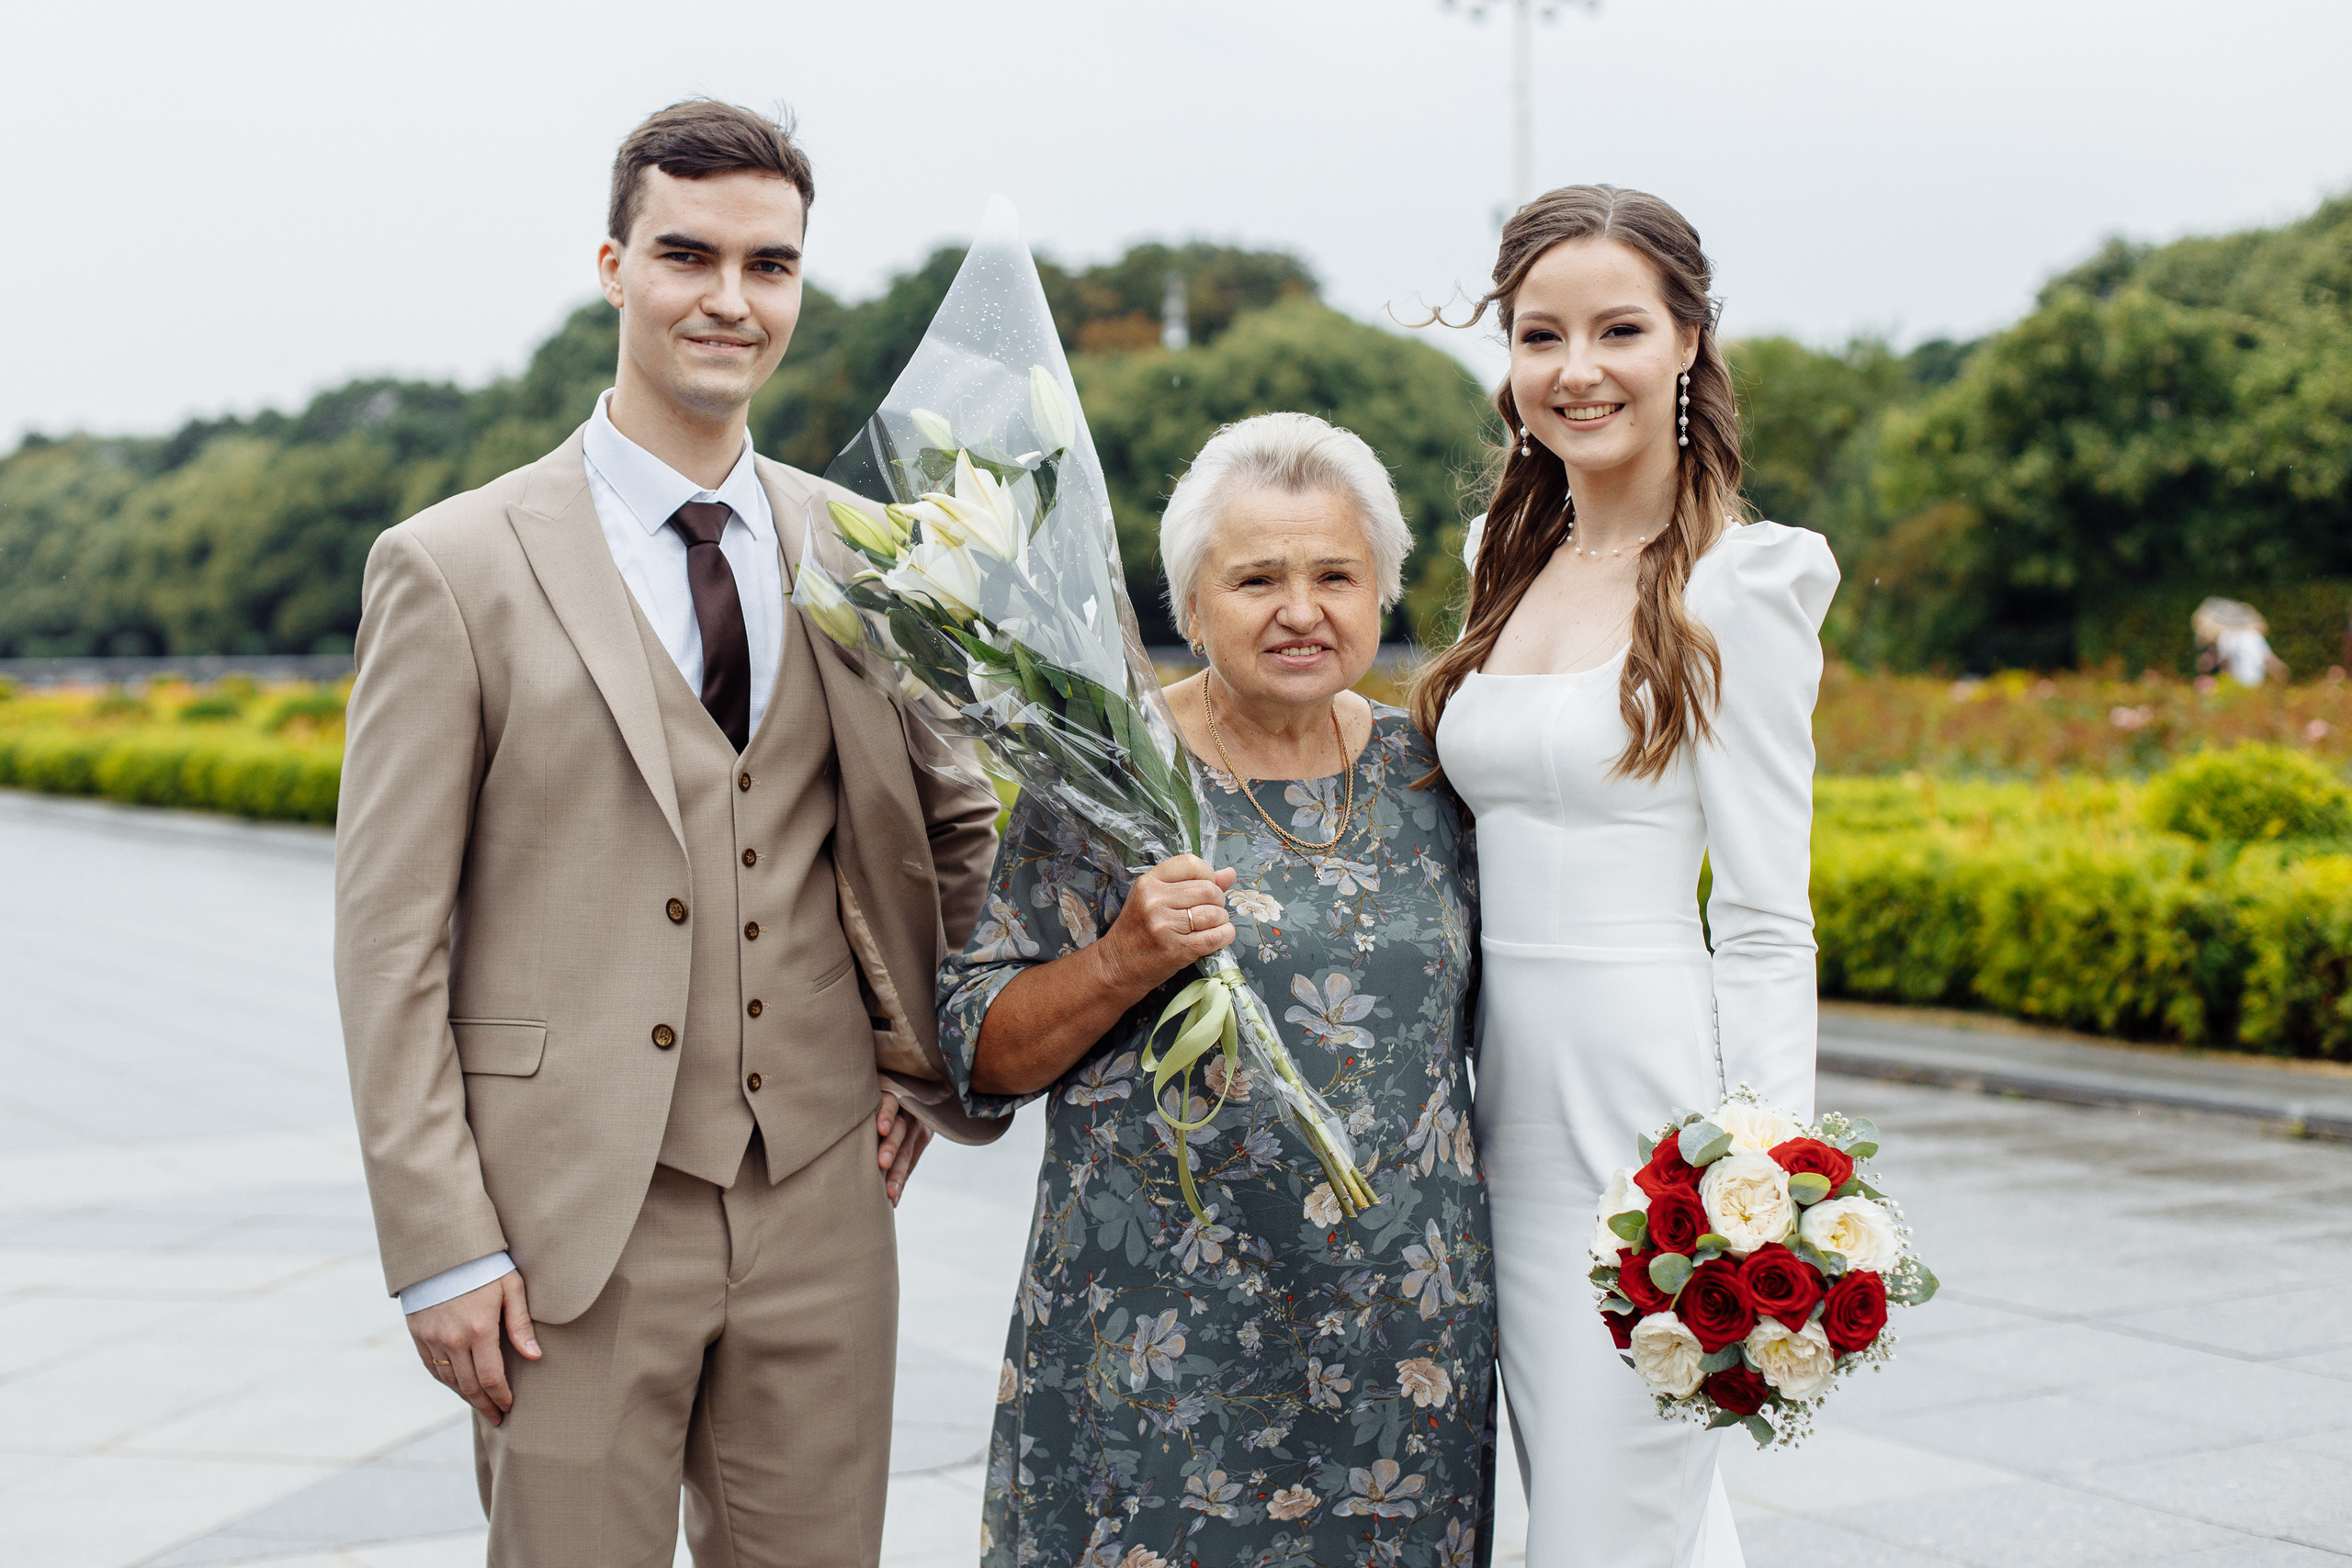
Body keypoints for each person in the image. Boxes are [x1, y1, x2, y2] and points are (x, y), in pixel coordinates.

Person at [332, 100, 1002, 1566]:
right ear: (614, 264)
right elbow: (390, 938)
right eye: (687, 254)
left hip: (822, 1193)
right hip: (566, 1210)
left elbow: (960, 833)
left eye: (770, 265)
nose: (729, 298)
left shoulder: (867, 553)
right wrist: (441, 1238)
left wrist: (924, 1053)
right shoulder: (453, 565)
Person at [936, 412, 1498, 1568]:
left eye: (1335, 574)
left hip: (1400, 1348)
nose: (1301, 610)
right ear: (1189, 605)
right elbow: (982, 1051)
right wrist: (1123, 956)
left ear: (1383, 591)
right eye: (1256, 578)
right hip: (1160, 1347)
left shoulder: (1436, 774)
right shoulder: (1101, 775)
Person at [1412, 186, 1838, 1567]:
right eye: (1542, 333)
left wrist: (1765, 1185)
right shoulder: (1503, 557)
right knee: (1621, 1516)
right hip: (1492, 1114)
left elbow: (1770, 918)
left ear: (1689, 342)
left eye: (1618, 328)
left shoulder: (1739, 586)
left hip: (1651, 1129)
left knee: (1606, 1529)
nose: (1576, 368)